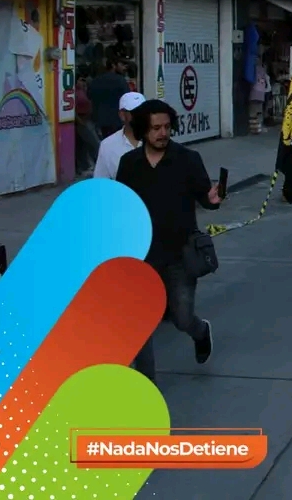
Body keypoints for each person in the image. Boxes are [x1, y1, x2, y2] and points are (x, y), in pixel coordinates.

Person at [118, 99, 221, 382]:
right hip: (141, 256)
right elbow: (122, 207)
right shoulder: (129, 164)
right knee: (140, 325)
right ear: (143, 130)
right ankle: (145, 384)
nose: (162, 133)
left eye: (166, 127)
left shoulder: (188, 159)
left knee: (182, 318)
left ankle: (201, 331)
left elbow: (205, 197)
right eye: (155, 128)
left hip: (179, 255)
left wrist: (212, 200)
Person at [94, 92, 145, 179]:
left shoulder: (158, 139)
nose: (141, 116)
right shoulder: (107, 145)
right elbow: (101, 181)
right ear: (122, 115)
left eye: (144, 112)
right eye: (135, 112)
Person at [89, 57, 130, 139]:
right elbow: (127, 99)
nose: (124, 67)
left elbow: (89, 96)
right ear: (113, 65)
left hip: (99, 120)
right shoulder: (120, 80)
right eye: (122, 65)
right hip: (117, 120)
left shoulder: (96, 80)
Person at [248, 58, 270, 134]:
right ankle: (258, 128)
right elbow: (265, 81)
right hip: (261, 93)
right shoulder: (262, 70)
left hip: (254, 92)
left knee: (253, 112)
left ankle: (253, 129)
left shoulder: (252, 69)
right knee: (259, 112)